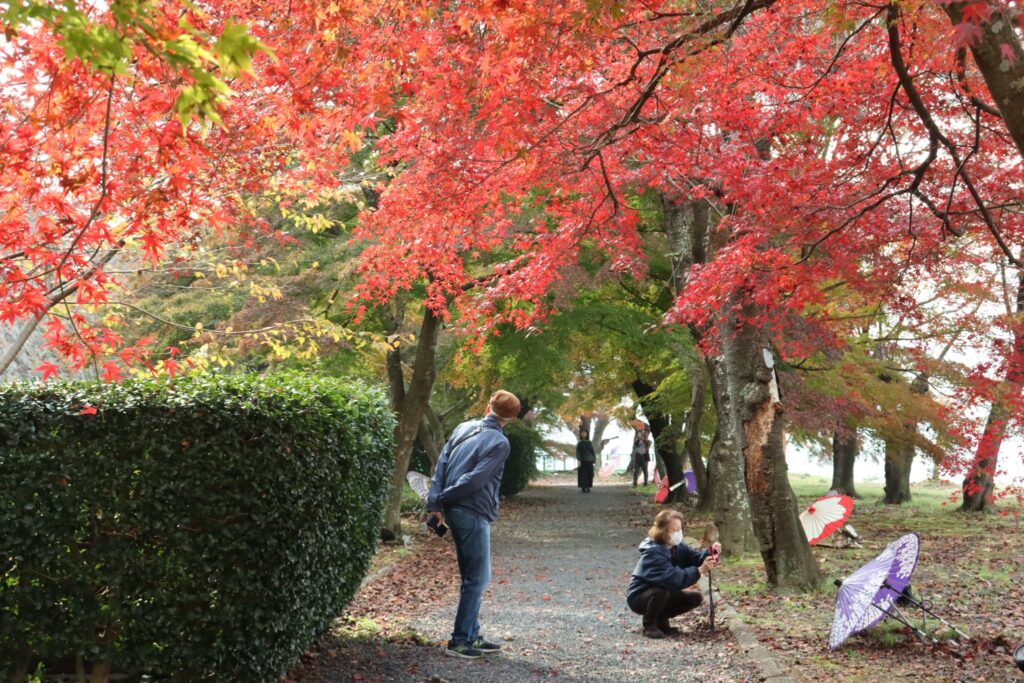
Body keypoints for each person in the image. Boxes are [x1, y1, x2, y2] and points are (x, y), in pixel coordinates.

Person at [426, 389, 521, 659]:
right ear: (512, 418)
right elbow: (475, 481)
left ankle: (473, 635)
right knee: (477, 579)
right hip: (473, 510)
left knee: (474, 576)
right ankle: (459, 641)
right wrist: (442, 499)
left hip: (456, 509)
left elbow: (441, 466)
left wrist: (436, 503)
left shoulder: (463, 427)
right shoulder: (499, 442)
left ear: (488, 405)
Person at [626, 509, 721, 639]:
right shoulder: (653, 552)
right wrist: (699, 570)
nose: (678, 533)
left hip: (662, 591)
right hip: (639, 597)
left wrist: (711, 553)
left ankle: (661, 621)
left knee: (694, 598)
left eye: (680, 529)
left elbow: (694, 558)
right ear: (662, 530)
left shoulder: (677, 546)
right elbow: (672, 578)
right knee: (661, 591)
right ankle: (649, 625)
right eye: (674, 530)